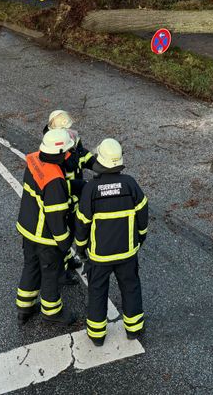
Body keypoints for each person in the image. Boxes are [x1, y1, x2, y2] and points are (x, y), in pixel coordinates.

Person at [75, 139, 148, 346]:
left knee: (97, 290)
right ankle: (134, 329)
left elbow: (82, 223)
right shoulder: (130, 184)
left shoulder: (91, 189)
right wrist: (140, 236)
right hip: (127, 252)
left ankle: (97, 335)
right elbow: (143, 211)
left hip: (100, 255)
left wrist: (81, 247)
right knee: (131, 287)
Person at [15, 128, 76, 326]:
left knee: (30, 266)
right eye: (67, 152)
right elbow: (56, 218)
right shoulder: (54, 181)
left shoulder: (34, 159)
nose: (69, 155)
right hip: (45, 236)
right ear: (58, 154)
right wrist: (65, 243)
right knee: (50, 271)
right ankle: (51, 312)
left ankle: (24, 307)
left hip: (28, 228)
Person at [44, 109, 93, 276]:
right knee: (60, 237)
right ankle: (61, 271)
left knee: (73, 232)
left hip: (75, 198)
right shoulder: (54, 150)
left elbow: (82, 156)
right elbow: (58, 184)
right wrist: (82, 185)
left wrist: (99, 164)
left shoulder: (72, 140)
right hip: (62, 200)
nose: (69, 134)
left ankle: (69, 259)